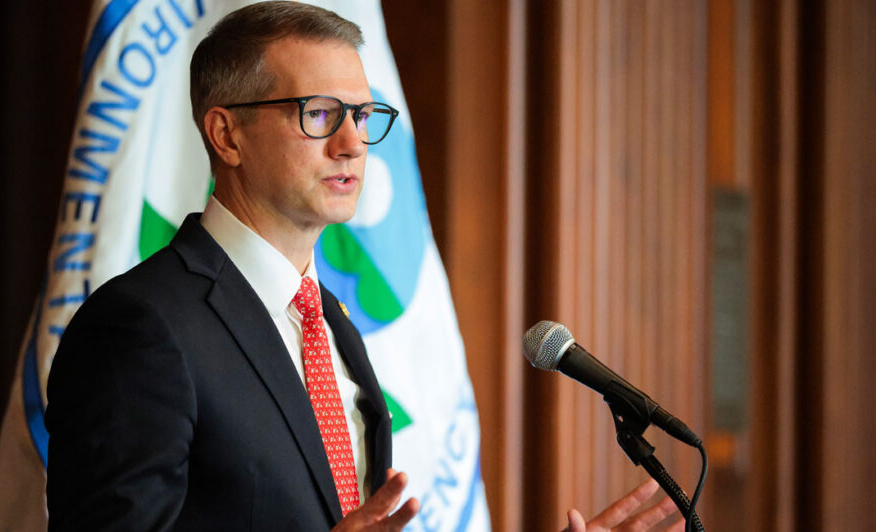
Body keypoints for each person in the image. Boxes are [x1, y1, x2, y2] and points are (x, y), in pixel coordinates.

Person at [45, 3, 684, 531]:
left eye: (362, 115)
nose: (352, 143)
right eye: (319, 114)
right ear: (227, 134)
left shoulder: (330, 322)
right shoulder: (140, 327)